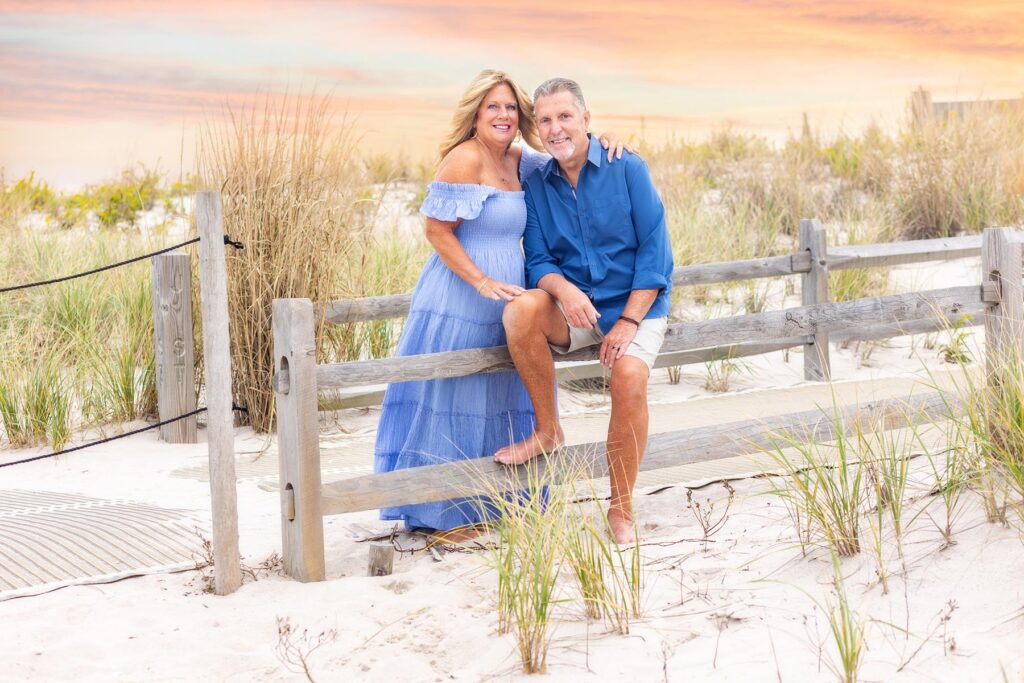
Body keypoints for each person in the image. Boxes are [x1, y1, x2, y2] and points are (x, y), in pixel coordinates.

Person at [374, 70, 630, 535]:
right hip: (462, 291)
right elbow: (436, 230)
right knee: (455, 394)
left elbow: (566, 155)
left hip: (510, 294)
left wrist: (602, 138)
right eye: (493, 106)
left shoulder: (520, 160)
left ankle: (495, 505)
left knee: (499, 393)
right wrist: (479, 280)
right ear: (475, 113)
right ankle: (443, 516)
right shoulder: (464, 159)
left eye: (511, 107)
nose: (504, 115)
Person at [496, 77, 674, 545]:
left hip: (637, 306)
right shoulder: (537, 180)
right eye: (546, 119)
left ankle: (621, 508)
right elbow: (538, 260)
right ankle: (548, 430)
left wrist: (629, 322)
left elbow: (656, 255)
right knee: (521, 311)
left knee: (629, 378)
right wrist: (566, 292)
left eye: (565, 116)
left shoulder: (627, 167)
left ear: (586, 119)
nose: (556, 128)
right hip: (575, 312)